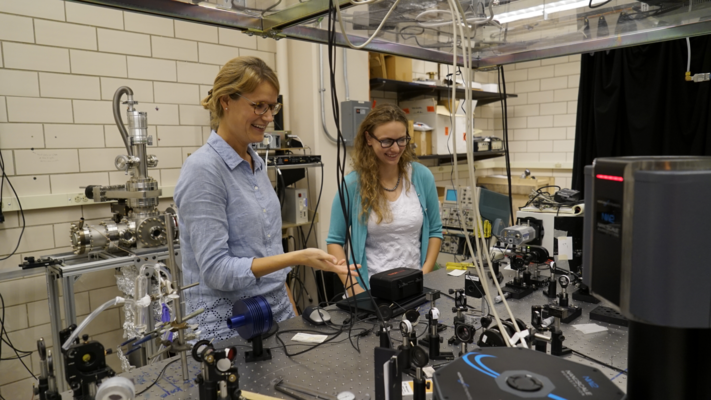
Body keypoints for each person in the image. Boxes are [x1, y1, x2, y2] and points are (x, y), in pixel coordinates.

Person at [174, 56, 351, 342]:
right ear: (225, 101)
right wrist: (299, 257)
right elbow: (217, 271)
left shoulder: (255, 163)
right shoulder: (204, 169)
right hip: (228, 330)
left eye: (272, 106)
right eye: (259, 105)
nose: (268, 117)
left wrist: (291, 314)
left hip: (276, 316)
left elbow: (267, 254)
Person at [326, 104, 443, 296]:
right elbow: (335, 241)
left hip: (414, 288)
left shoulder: (422, 177)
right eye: (387, 141)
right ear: (369, 139)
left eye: (401, 140)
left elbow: (436, 231)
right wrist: (353, 288)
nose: (396, 148)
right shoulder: (352, 185)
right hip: (370, 291)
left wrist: (424, 274)